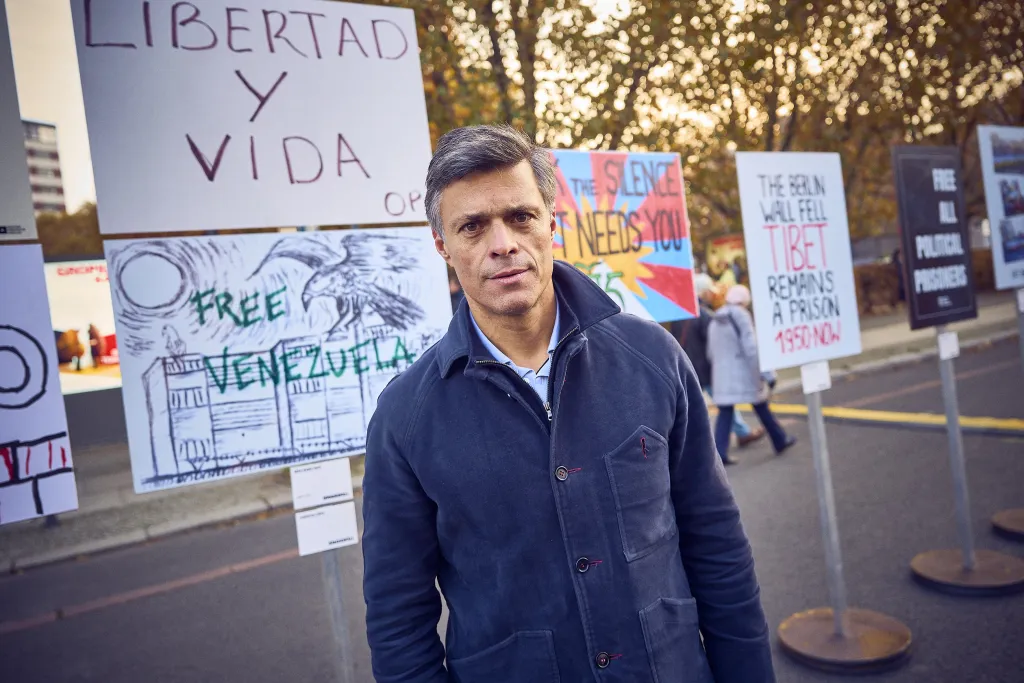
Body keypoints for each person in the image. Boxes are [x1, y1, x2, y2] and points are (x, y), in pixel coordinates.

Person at [361, 125, 775, 682]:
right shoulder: (404, 417)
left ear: (551, 222)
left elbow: (716, 542)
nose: (503, 243)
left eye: (520, 216)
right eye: (472, 226)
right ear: (443, 246)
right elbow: (397, 619)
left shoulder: (654, 356)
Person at [672, 273, 765, 448]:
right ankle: (738, 436)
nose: (712, 294)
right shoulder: (705, 314)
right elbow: (715, 344)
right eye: (708, 291)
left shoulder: (680, 315)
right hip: (707, 369)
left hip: (687, 368)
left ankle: (737, 434)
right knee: (725, 406)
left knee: (693, 409)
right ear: (702, 292)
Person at [708, 285, 797, 465]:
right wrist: (767, 374)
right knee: (761, 406)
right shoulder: (741, 315)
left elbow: (710, 352)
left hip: (722, 375)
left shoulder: (715, 318)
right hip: (744, 373)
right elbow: (751, 349)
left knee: (725, 413)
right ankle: (779, 440)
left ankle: (719, 454)